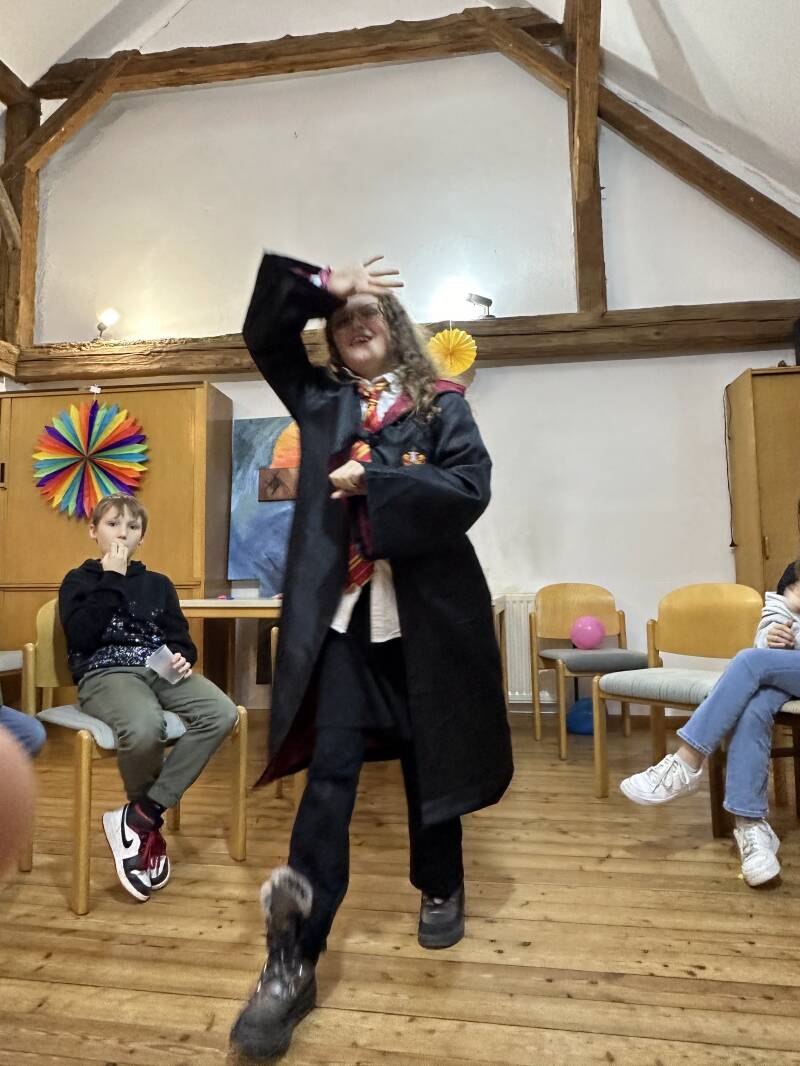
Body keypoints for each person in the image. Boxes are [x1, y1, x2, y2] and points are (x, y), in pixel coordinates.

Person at [230, 253, 513, 1060]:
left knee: (433, 756)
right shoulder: (320, 401)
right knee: (329, 777)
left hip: (427, 616)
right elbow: (264, 331)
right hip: (344, 621)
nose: (358, 324)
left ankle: (440, 882)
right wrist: (327, 281)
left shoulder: (441, 404)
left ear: (399, 332)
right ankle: (294, 959)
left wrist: (376, 481)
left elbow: (470, 487)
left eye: (373, 314)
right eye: (345, 318)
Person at [59, 493, 238, 902]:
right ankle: (145, 833)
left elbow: (180, 639)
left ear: (142, 538)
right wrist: (112, 577)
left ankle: (141, 816)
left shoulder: (159, 584)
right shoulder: (79, 580)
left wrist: (183, 657)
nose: (123, 533)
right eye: (113, 524)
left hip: (159, 668)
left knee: (222, 712)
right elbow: (82, 636)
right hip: (106, 671)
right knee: (144, 727)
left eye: (133, 527)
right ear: (93, 532)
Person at [620, 560, 800, 887]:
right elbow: (769, 629)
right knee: (754, 706)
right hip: (789, 673)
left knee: (748, 662)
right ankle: (751, 827)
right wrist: (774, 636)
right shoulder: (788, 588)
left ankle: (686, 762)